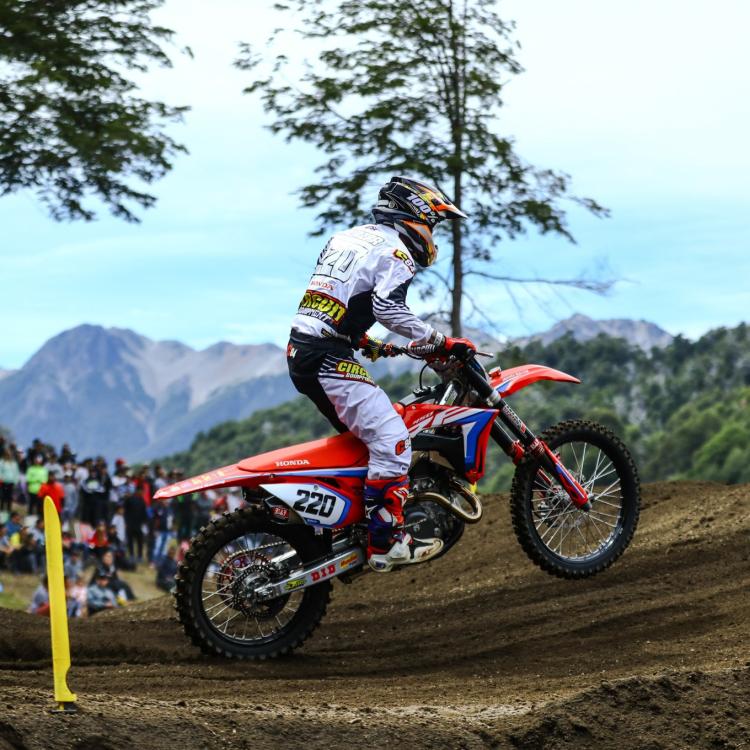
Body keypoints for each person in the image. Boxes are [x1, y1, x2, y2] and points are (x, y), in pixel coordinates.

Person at [287, 176, 476, 572]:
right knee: (392, 441)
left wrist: (368, 342)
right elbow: (388, 307)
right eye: (434, 224)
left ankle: (345, 524)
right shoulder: (396, 252)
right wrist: (438, 341)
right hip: (325, 356)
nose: (432, 235)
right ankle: (385, 541)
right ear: (418, 216)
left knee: (369, 439)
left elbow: (333, 298)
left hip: (305, 348)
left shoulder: (348, 239)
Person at [0, 447, 20, 513]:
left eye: (10, 454)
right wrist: (1, 478)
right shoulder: (2, 462)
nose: (8, 455)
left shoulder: (14, 463)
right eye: (7, 454)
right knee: (3, 496)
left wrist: (15, 481)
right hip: (4, 481)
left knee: (9, 497)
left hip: (11, 482)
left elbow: (16, 473)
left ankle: (8, 510)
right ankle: (2, 510)